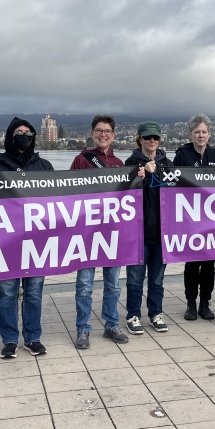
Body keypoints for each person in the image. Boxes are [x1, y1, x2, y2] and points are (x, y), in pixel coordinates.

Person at [0, 117, 54, 358]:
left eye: (28, 133)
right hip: (6, 242)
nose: (23, 136)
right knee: (7, 293)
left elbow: (58, 201)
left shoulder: (44, 166)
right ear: (9, 136)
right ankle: (9, 340)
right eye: (18, 132)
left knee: (34, 292)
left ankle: (33, 337)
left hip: (37, 242)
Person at [69, 114, 129, 349]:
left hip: (113, 234)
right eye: (99, 130)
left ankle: (111, 325)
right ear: (92, 133)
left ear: (113, 135)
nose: (103, 134)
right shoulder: (81, 160)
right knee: (84, 285)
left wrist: (139, 177)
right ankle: (83, 329)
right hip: (86, 234)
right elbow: (68, 195)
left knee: (113, 284)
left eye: (107, 131)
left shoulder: (120, 164)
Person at [173, 113, 215, 321]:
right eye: (197, 132)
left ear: (209, 134)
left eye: (204, 132)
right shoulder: (182, 155)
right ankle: (191, 303)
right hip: (190, 220)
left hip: (212, 220)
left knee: (209, 265)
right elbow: (173, 184)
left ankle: (205, 303)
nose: (201, 135)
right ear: (190, 135)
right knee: (192, 264)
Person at [124, 122, 172, 335]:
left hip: (162, 233)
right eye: (147, 137)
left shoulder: (168, 164)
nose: (152, 141)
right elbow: (125, 193)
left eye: (155, 137)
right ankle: (133, 315)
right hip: (138, 233)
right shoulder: (130, 163)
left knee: (157, 279)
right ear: (140, 139)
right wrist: (143, 175)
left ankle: (156, 313)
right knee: (135, 279)